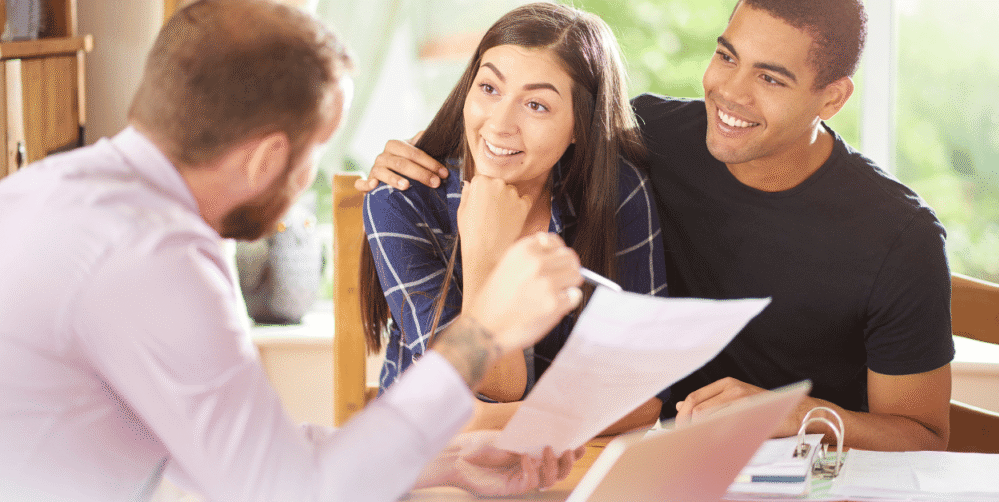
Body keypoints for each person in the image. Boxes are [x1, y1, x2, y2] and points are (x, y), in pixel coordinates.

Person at [0, 1, 586, 501]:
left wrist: (449, 461)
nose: (309, 180)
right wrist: (480, 334)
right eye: (314, 152)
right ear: (264, 158)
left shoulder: (51, 190)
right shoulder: (154, 255)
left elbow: (251, 457)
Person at [356, 0, 955, 451]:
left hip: (796, 473)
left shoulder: (898, 237)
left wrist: (795, 413)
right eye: (726, 56)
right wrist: (436, 157)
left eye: (771, 79)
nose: (730, 93)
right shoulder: (649, 142)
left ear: (832, 99)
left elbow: (925, 437)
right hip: (637, 462)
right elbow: (517, 122)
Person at [359, 2, 667, 432]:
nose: (500, 124)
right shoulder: (403, 199)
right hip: (430, 468)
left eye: (536, 105)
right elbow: (488, 387)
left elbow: (644, 397)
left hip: (566, 461)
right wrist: (487, 251)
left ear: (581, 124)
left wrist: (490, 420)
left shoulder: (615, 191)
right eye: (489, 89)